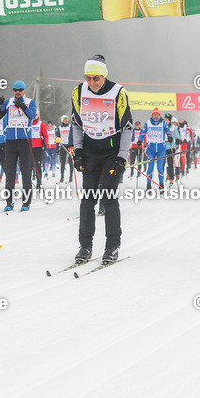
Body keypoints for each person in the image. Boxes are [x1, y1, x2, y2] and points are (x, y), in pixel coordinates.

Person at [70, 55, 133, 264]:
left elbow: (127, 128)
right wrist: (77, 151)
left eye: (96, 78)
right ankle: (85, 246)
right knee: (87, 200)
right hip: (89, 151)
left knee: (108, 197)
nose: (92, 83)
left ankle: (112, 245)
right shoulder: (78, 92)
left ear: (104, 75)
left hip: (111, 152)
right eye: (88, 78)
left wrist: (122, 158)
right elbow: (77, 125)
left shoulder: (118, 93)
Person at [0, 80, 37, 212]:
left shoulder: (30, 102)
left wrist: (23, 107)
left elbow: (32, 116)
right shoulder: (8, 102)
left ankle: (26, 203)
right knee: (10, 173)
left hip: (24, 141)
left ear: (24, 91)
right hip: (10, 141)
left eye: (20, 90)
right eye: (15, 90)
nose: (17, 92)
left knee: (25, 172)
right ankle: (9, 202)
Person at [141, 108, 169, 190]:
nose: (156, 116)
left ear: (159, 115)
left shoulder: (163, 123)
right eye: (154, 114)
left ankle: (161, 185)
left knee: (160, 167)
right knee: (150, 167)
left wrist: (170, 137)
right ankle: (148, 186)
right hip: (151, 148)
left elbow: (168, 131)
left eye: (157, 114)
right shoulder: (148, 123)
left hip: (161, 148)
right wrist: (140, 140)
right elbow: (143, 132)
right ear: (152, 115)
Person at [57, 114, 73, 183]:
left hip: (69, 145)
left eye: (67, 119)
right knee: (62, 162)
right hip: (62, 145)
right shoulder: (59, 127)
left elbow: (73, 135)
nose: (66, 121)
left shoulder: (70, 126)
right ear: (62, 120)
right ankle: (62, 176)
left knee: (70, 161)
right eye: (64, 120)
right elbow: (57, 137)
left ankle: (71, 176)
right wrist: (57, 148)